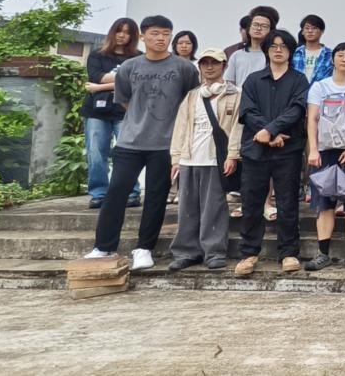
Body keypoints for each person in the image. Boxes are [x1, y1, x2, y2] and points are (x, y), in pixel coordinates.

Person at [83, 15, 200, 269]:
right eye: (155, 33)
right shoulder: (129, 67)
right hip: (130, 141)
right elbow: (125, 100)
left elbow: (191, 102)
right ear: (144, 36)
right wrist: (140, 120)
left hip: (166, 144)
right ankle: (103, 246)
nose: (161, 39)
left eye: (166, 34)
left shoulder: (185, 68)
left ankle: (144, 248)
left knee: (156, 197)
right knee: (116, 193)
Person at [234, 29, 308, 276]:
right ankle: (248, 253)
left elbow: (297, 109)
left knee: (287, 202)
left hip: (288, 149)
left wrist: (271, 130)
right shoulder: (254, 80)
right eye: (274, 46)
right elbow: (248, 111)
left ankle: (288, 253)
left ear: (291, 51)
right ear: (266, 50)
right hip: (256, 149)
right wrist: (268, 133)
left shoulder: (299, 80)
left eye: (283, 46)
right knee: (251, 202)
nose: (278, 50)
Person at [167, 48, 241, 271]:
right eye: (205, 63)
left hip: (215, 158)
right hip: (189, 158)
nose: (209, 67)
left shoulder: (235, 94)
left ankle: (214, 252)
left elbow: (238, 127)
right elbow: (181, 127)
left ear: (224, 66)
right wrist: (176, 158)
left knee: (214, 207)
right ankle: (186, 252)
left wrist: (233, 154)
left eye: (215, 63)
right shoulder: (192, 96)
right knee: (187, 208)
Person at [304, 41, 345, 271]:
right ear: (333, 59)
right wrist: (313, 149)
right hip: (325, 150)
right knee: (324, 203)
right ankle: (322, 253)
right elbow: (312, 119)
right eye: (340, 55)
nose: (344, 59)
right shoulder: (320, 87)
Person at [83, 17, 142, 209]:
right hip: (96, 111)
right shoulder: (97, 55)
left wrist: (100, 87)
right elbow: (95, 77)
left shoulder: (138, 58)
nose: (122, 35)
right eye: (119, 30)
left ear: (133, 36)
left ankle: (131, 192)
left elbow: (135, 83)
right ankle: (99, 194)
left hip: (126, 110)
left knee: (128, 153)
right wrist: (120, 79)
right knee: (96, 153)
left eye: (127, 32)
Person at [225, 9, 274, 86]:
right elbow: (229, 82)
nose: (259, 28)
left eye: (264, 26)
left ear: (271, 30)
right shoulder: (237, 55)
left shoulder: (274, 55)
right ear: (249, 28)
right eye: (255, 25)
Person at [295, 14, 333, 83]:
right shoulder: (295, 53)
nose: (310, 31)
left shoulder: (330, 55)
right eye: (307, 28)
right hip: (298, 89)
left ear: (322, 31)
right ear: (302, 31)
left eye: (314, 28)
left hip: (321, 89)